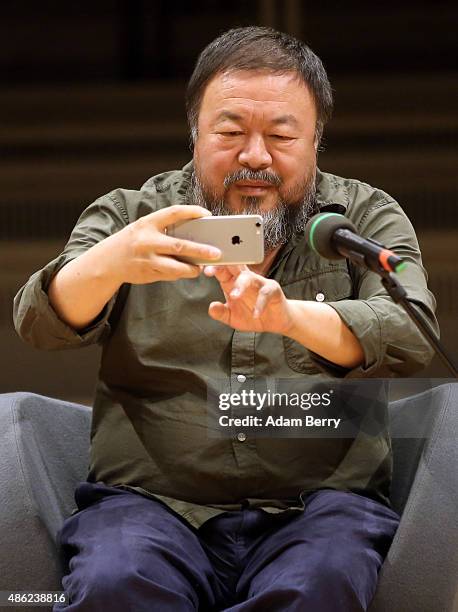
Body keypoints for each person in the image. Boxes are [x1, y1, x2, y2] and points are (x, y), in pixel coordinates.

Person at [13, 26, 438, 612]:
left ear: (317, 142)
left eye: (282, 135)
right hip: (150, 504)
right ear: (195, 136)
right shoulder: (134, 215)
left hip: (319, 506)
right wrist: (110, 263)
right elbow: (38, 322)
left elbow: (411, 330)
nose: (255, 157)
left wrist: (290, 318)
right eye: (231, 133)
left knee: (320, 582)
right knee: (115, 581)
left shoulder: (362, 217)